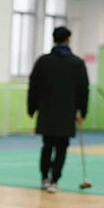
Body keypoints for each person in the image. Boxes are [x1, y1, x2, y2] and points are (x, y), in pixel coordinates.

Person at [27, 27, 89, 193]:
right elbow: (84, 89)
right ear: (68, 40)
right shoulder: (77, 63)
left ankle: (44, 178)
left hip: (46, 111)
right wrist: (82, 111)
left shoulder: (43, 61)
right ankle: (55, 180)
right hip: (66, 113)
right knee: (61, 147)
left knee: (47, 145)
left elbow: (33, 86)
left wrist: (31, 108)